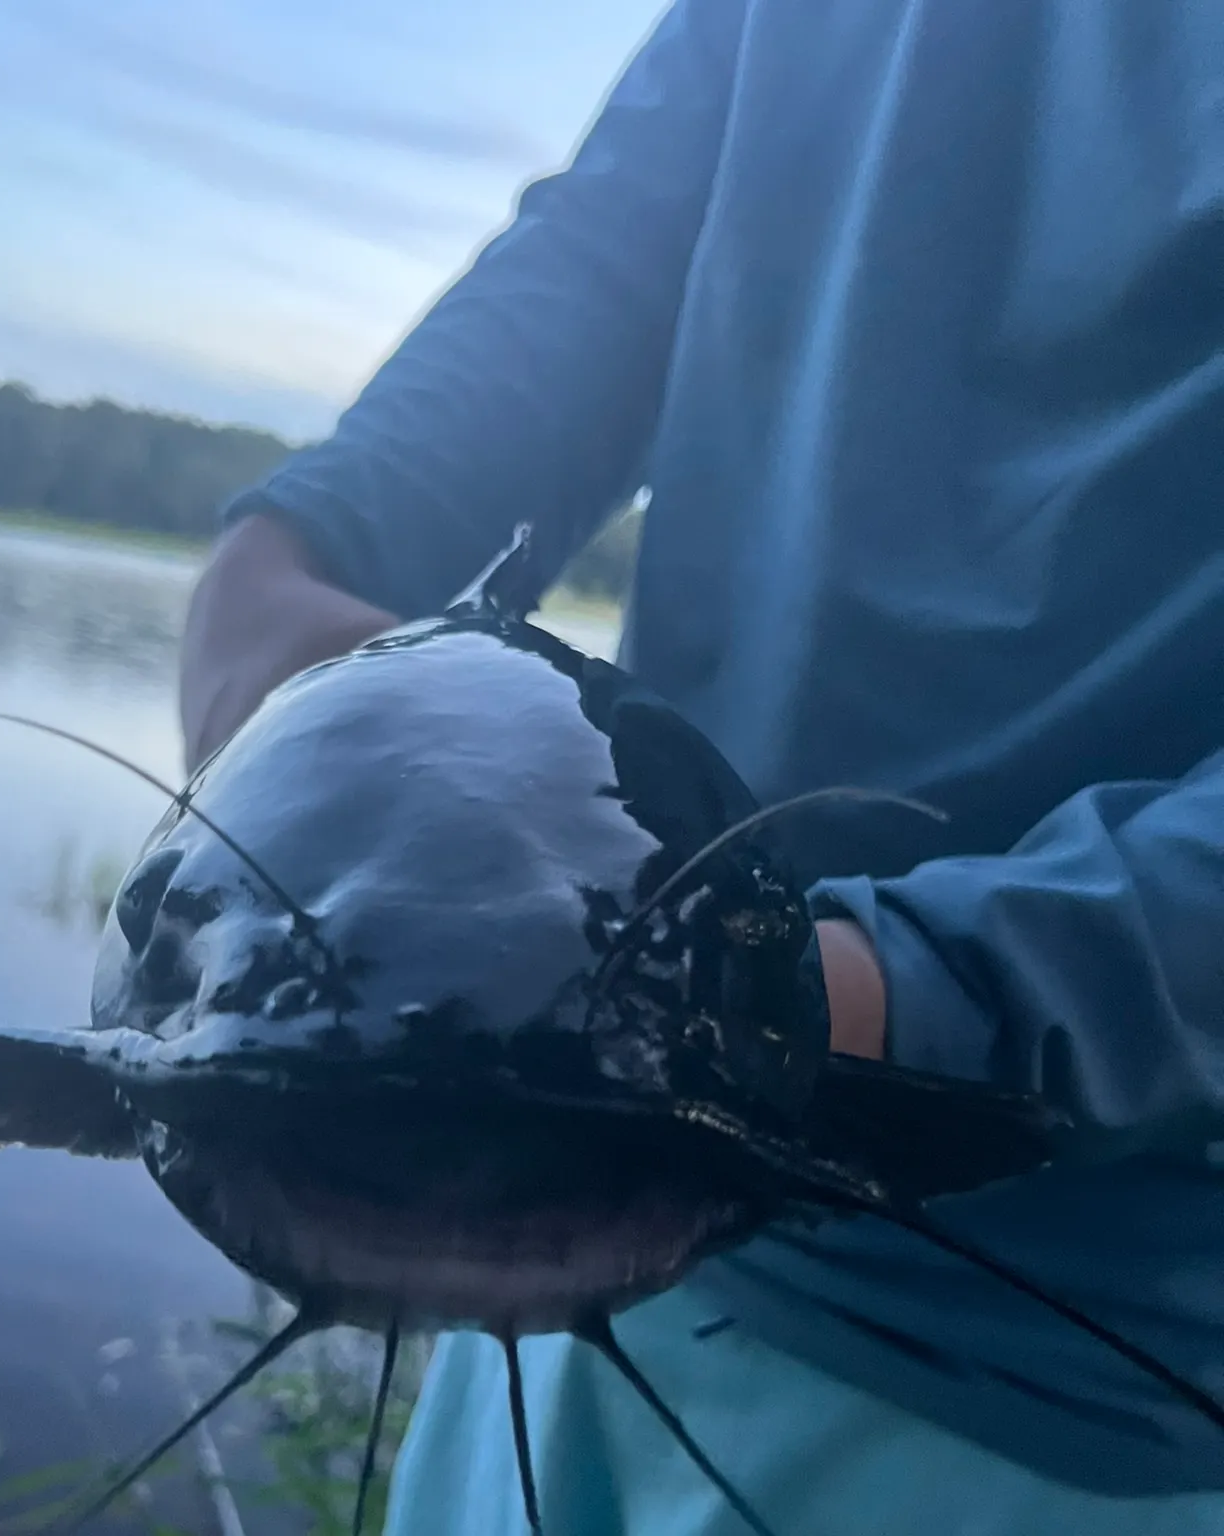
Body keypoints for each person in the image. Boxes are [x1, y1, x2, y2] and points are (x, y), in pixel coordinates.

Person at [177, 1, 1224, 1530]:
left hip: (1063, 1391)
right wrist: (303, 549)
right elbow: (622, 240)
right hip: (570, 1230)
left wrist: (887, 1000)